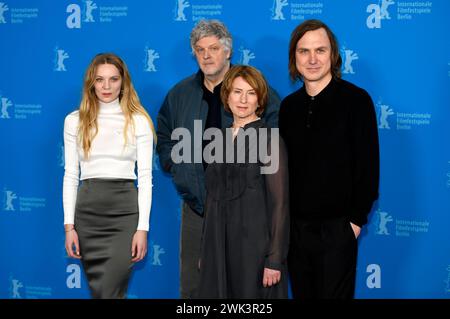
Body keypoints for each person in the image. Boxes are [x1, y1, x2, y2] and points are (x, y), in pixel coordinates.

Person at [156, 19, 281, 299]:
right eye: (200, 49)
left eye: (214, 48)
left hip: (244, 212)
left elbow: (275, 134)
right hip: (198, 209)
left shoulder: (252, 91)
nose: (206, 55)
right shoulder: (179, 94)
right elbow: (163, 135)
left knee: (240, 290)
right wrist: (176, 166)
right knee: (194, 289)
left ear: (228, 51)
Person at [279, 19, 379, 299]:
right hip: (295, 231)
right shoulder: (288, 108)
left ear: (333, 55)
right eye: (304, 51)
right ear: (294, 57)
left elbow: (368, 169)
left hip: (338, 230)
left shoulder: (356, 101)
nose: (312, 59)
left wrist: (354, 224)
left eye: (320, 50)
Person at [63, 53, 156, 299]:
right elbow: (71, 175)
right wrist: (69, 226)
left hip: (124, 214)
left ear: (123, 82)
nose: (106, 86)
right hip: (87, 215)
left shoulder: (139, 121)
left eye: (113, 79)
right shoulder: (74, 121)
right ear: (91, 83)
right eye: (99, 80)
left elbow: (145, 179)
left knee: (110, 291)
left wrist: (142, 228)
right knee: (100, 292)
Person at [197, 65, 289, 298]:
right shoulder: (218, 138)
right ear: (227, 96)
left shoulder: (269, 139)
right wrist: (206, 251)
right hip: (217, 245)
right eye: (237, 92)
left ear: (260, 100)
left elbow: (280, 204)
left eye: (251, 93)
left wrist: (275, 259)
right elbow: (211, 199)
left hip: (254, 250)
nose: (243, 100)